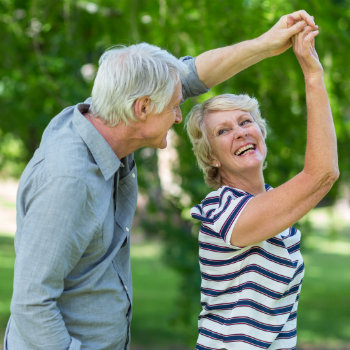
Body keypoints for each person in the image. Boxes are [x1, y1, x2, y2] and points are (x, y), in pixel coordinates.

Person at [4, 10, 318, 350]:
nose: (179, 114)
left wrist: (263, 45)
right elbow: (32, 305)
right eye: (173, 106)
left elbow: (192, 75)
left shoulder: (107, 116)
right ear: (142, 109)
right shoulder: (68, 180)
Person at [185, 24, 339, 350]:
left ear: (260, 133)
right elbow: (322, 173)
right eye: (223, 131)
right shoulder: (219, 210)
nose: (240, 132)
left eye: (245, 122)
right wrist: (312, 74)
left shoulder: (281, 217)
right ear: (211, 157)